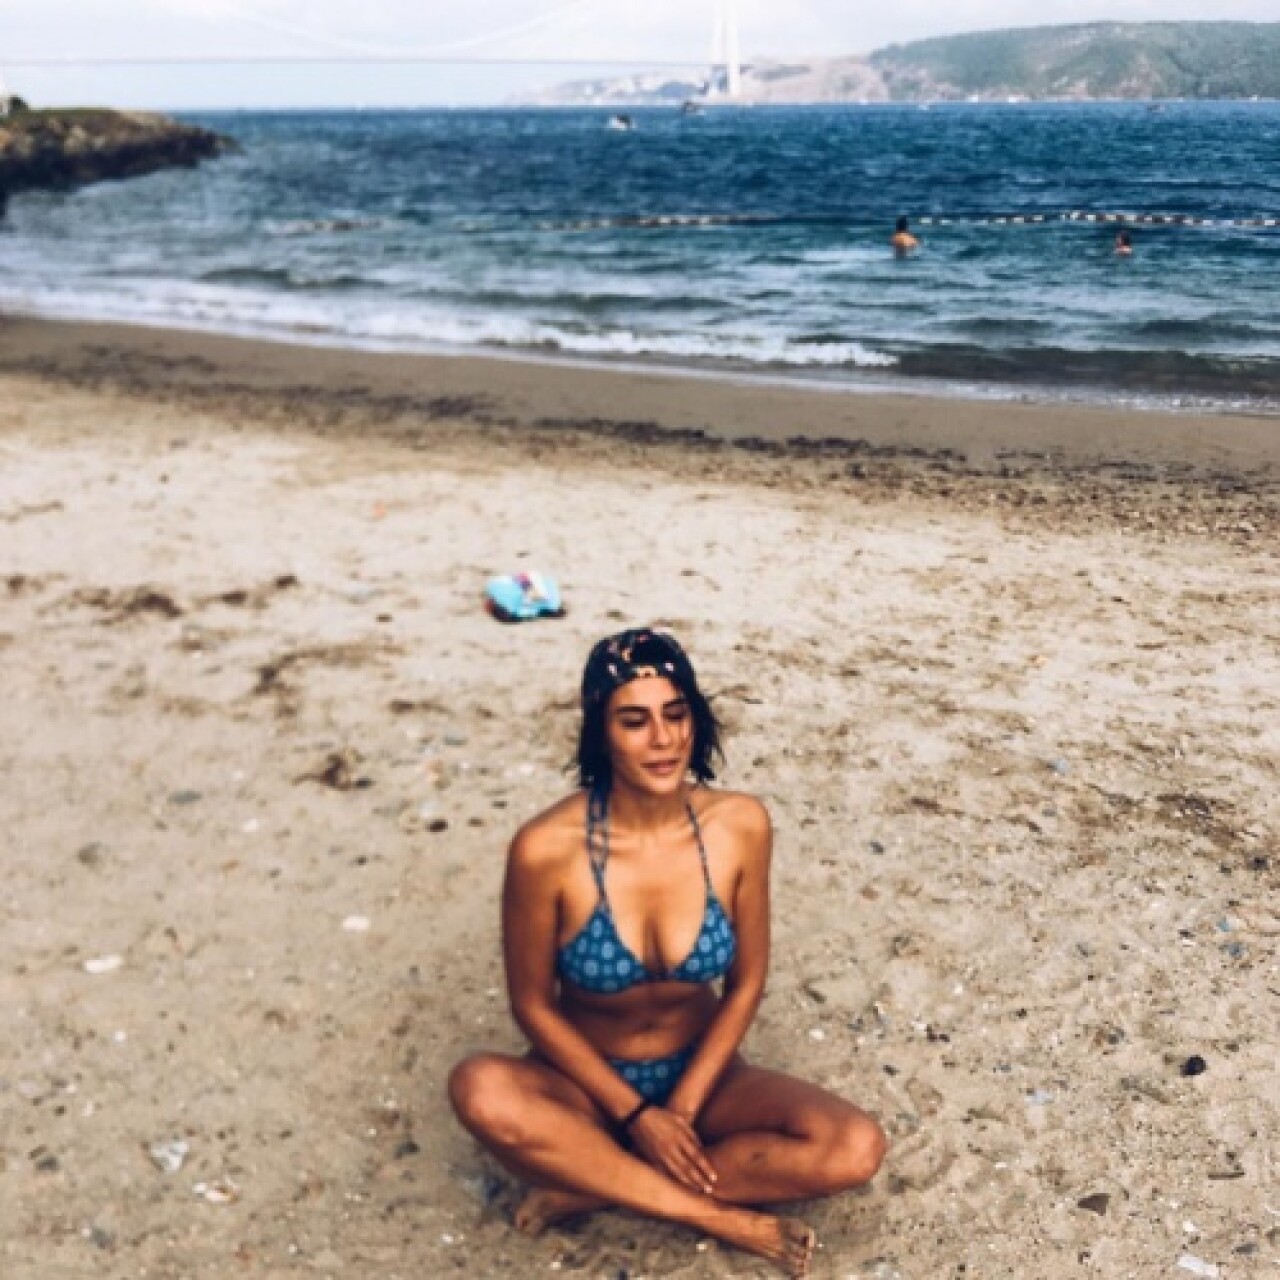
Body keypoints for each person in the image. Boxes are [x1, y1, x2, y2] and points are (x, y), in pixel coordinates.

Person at [448, 628, 887, 1278]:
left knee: (854, 1147)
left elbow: (747, 982)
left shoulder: (740, 826)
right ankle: (714, 1214)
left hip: (703, 1080)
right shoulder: (546, 849)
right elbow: (532, 1006)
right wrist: (634, 1115)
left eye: (676, 715)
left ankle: (592, 1182)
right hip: (585, 1088)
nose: (662, 739)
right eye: (634, 721)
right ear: (601, 734)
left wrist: (677, 1111)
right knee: (478, 1088)